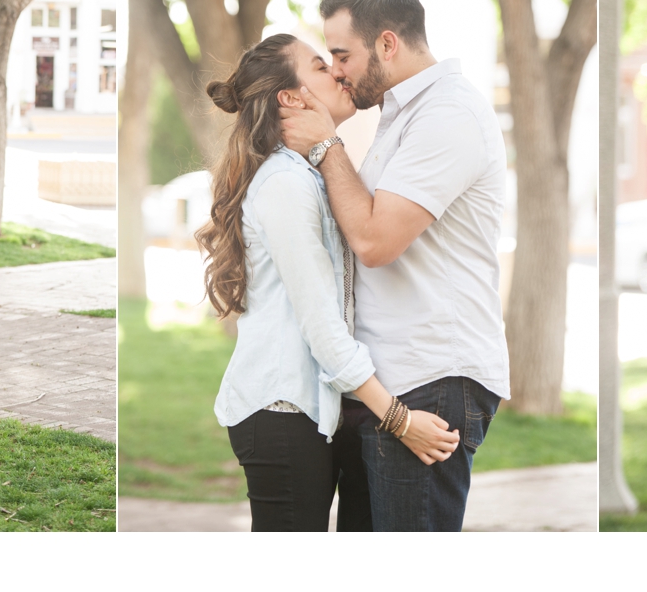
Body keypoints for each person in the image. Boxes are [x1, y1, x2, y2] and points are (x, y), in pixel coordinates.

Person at [196, 33, 461, 532]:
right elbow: (322, 325)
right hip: (280, 412)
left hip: (309, 416)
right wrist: (399, 419)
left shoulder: (310, 175)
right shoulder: (286, 183)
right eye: (321, 67)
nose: (338, 73)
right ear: (292, 98)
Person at [279, 0, 509, 531]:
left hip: (432, 377)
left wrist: (325, 146)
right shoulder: (405, 111)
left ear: (387, 44)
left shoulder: (447, 114)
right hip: (393, 382)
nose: (335, 70)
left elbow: (376, 241)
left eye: (341, 55)